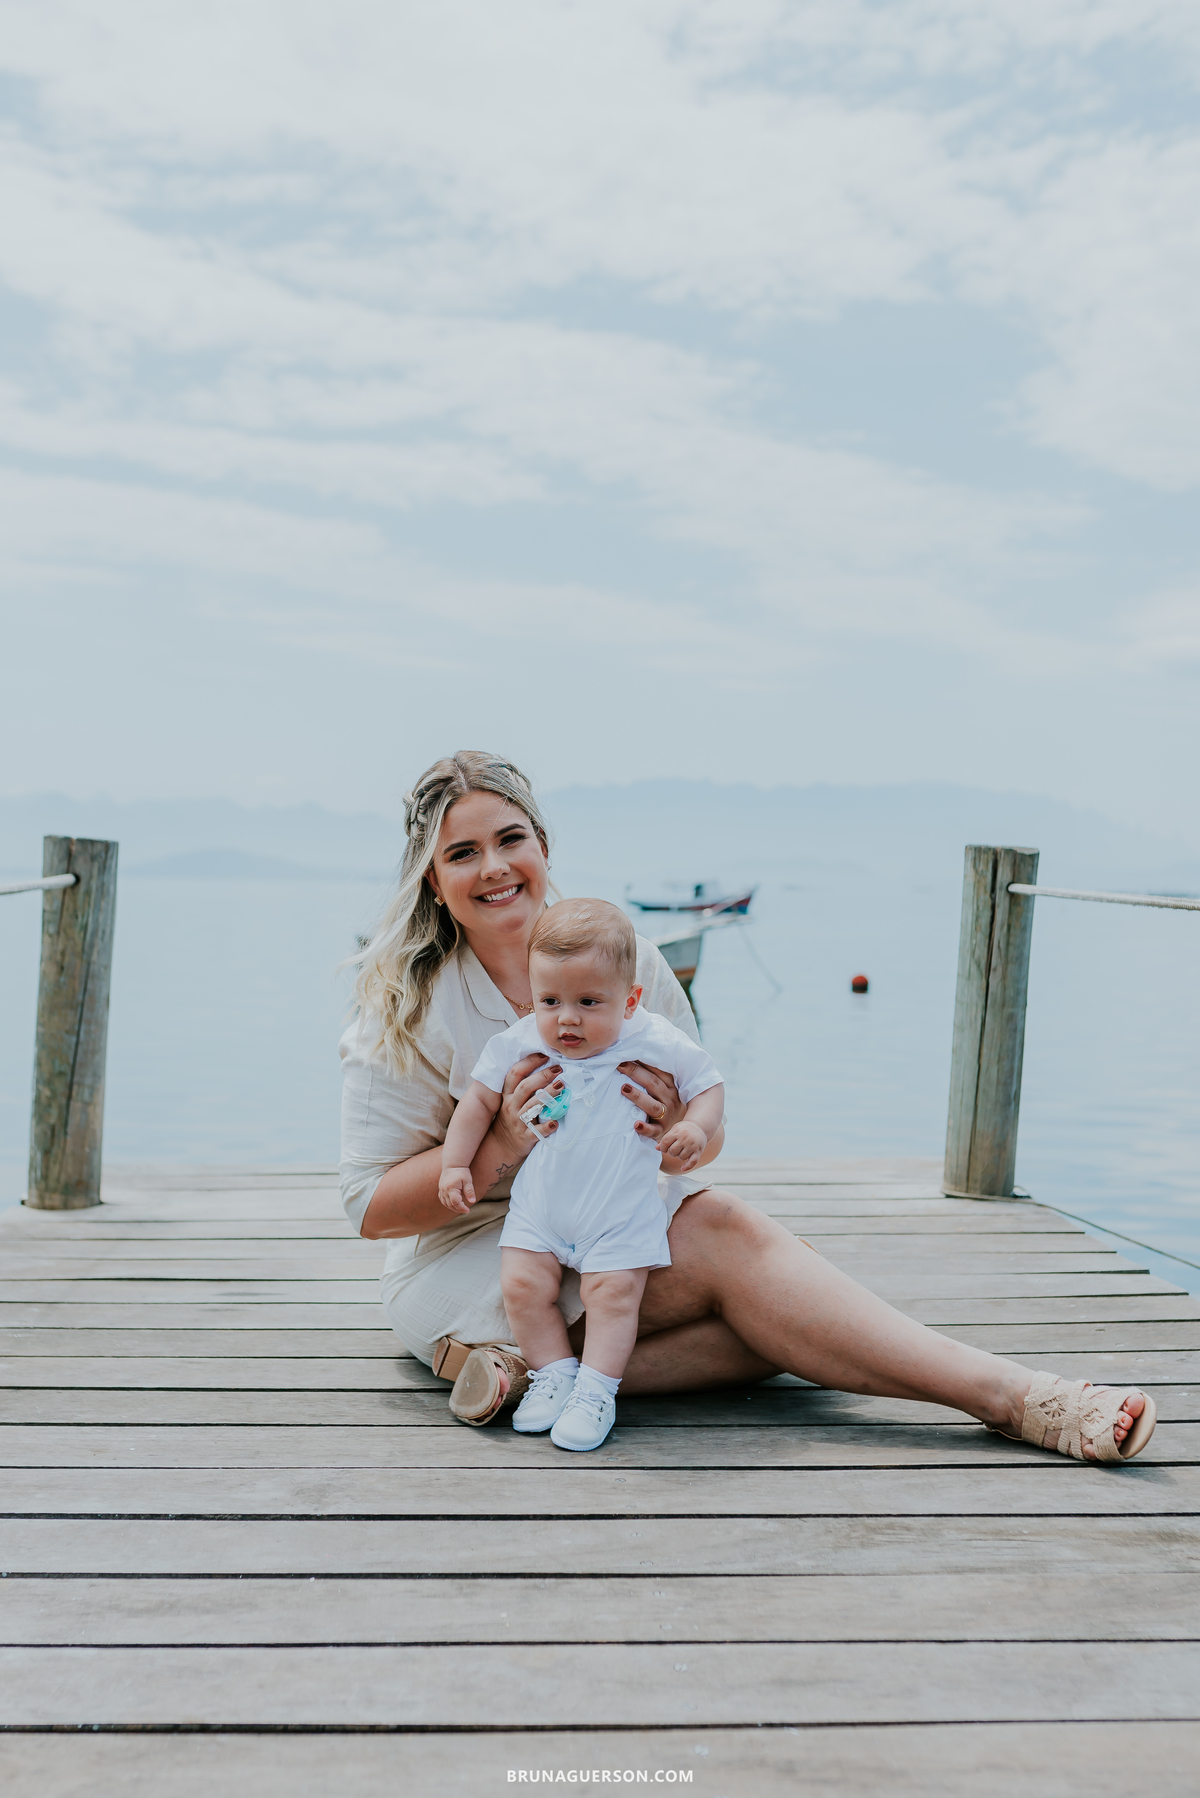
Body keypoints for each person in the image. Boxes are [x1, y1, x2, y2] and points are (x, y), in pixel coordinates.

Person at [340, 749, 1156, 1464]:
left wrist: (677, 1134)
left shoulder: (629, 964)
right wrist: (505, 1144)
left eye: (511, 839)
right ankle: (1014, 1398)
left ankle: (524, 1378)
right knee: (768, 1276)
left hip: (610, 1218)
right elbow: (370, 1208)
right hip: (474, 1253)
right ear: (436, 885)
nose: (494, 867)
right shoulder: (407, 1004)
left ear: (544, 850)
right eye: (463, 853)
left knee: (782, 1304)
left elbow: (703, 1123)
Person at [439, 896, 724, 1450]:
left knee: (613, 1296)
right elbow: (476, 1101)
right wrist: (455, 1164)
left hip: (616, 1213)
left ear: (630, 999)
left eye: (589, 1002)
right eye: (550, 1000)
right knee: (522, 1287)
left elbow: (708, 1084)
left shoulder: (654, 1039)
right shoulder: (524, 1039)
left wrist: (696, 1127)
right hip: (542, 1209)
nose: (566, 1018)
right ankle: (553, 1375)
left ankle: (596, 1390)